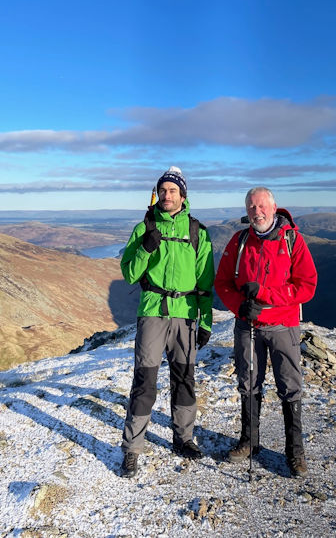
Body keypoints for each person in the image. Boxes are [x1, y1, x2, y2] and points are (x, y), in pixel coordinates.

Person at [215, 186, 317, 477]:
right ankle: (249, 442)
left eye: (261, 206)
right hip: (248, 325)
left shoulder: (292, 240)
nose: (256, 212)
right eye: (251, 207)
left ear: (274, 208)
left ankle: (295, 453)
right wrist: (239, 306)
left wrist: (266, 294)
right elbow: (223, 282)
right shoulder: (240, 241)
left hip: (282, 325)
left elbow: (307, 286)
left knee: (290, 387)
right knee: (248, 384)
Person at [119, 166, 214, 478]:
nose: (166, 195)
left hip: (186, 314)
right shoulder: (143, 228)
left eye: (172, 190)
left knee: (184, 379)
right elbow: (130, 274)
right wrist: (146, 248)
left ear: (183, 195)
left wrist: (206, 322)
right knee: (145, 381)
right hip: (153, 311)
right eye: (162, 190)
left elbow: (205, 281)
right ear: (156, 194)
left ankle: (183, 439)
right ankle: (132, 448)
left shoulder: (198, 231)